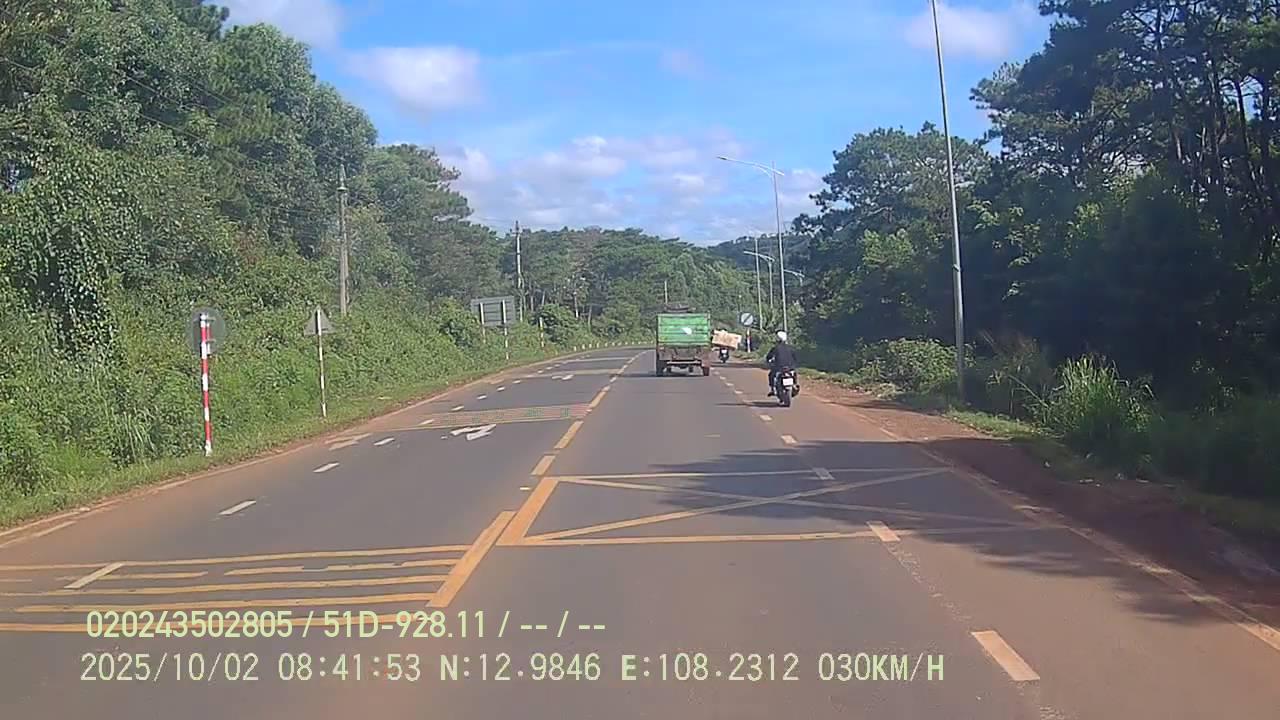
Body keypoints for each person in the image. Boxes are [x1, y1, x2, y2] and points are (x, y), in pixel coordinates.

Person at [765, 330, 797, 396]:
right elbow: (795, 357)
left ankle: (773, 389)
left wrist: (768, 361)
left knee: (771, 375)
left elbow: (769, 356)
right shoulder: (790, 348)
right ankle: (795, 384)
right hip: (790, 367)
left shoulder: (775, 348)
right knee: (794, 373)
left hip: (779, 367)